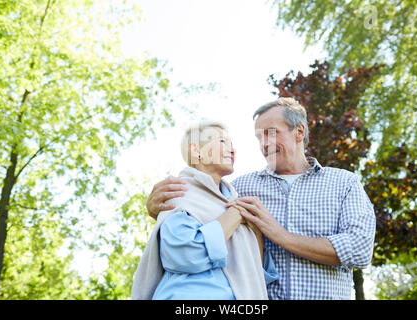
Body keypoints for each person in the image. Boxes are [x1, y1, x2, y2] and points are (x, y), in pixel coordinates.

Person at [146, 98, 376, 300]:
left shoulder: (344, 183)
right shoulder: (240, 189)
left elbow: (359, 249)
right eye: (258, 137)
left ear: (299, 132)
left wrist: (281, 235)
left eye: (271, 133)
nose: (263, 144)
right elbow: (199, 223)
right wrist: (159, 209)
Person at [132, 121, 278, 300]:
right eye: (223, 142)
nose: (232, 150)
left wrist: (255, 232)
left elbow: (255, 275)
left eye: (232, 145)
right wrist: (235, 214)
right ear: (196, 151)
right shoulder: (179, 192)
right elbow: (185, 255)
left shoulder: (237, 202)